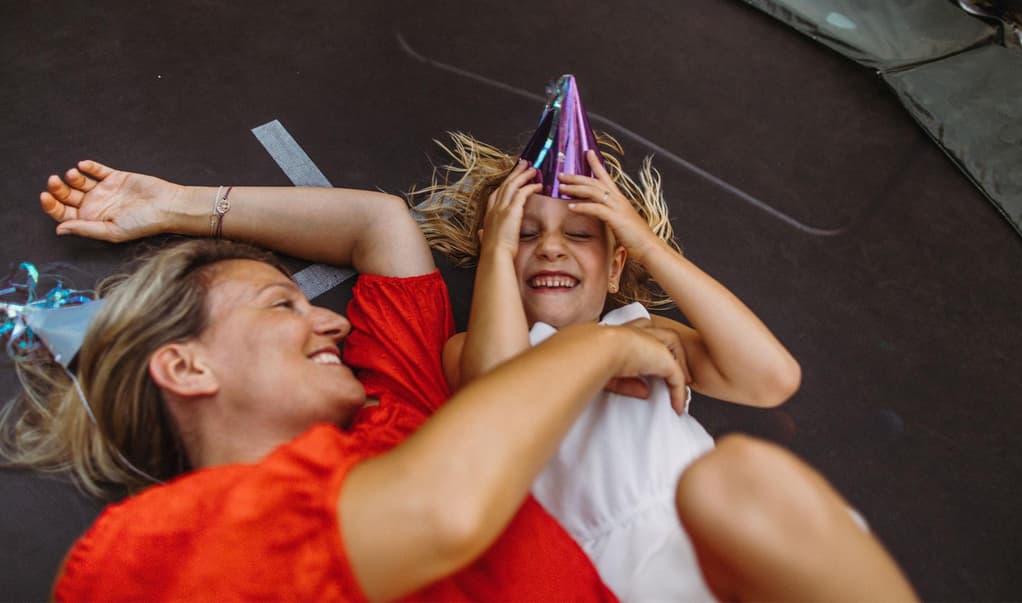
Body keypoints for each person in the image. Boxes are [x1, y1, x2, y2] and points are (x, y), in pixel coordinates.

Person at [1, 159, 692, 601]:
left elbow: (378, 223)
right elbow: (442, 510)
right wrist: (595, 352)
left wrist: (179, 204)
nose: (333, 323)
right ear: (187, 365)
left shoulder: (403, 416)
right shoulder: (144, 548)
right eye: (283, 305)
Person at [411, 74, 917, 602]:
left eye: (580, 234)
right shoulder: (473, 350)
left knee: (761, 482)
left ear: (614, 268)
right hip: (618, 568)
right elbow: (499, 395)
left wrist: (647, 246)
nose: (551, 248)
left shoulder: (643, 331)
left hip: (732, 522)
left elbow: (773, 378)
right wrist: (495, 246)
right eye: (525, 233)